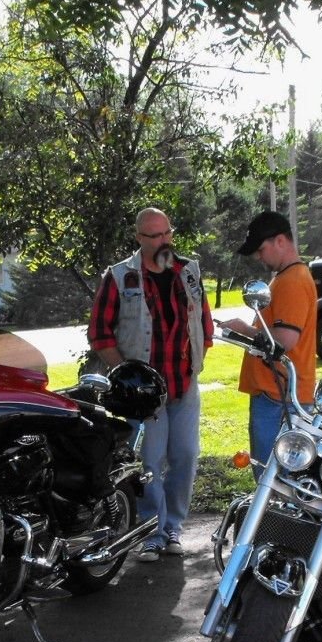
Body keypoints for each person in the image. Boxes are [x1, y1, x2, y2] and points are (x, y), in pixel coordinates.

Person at [88, 207, 213, 562]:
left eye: (167, 233)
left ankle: (173, 527)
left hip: (183, 382)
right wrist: (128, 373)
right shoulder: (120, 276)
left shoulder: (188, 271)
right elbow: (99, 333)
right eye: (154, 236)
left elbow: (202, 319)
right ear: (139, 238)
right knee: (149, 462)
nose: (163, 241)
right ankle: (151, 532)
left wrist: (198, 355)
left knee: (186, 456)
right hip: (144, 394)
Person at [221, 210, 318, 464]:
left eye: (260, 249)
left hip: (279, 398)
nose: (258, 256)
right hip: (279, 395)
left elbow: (284, 341)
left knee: (270, 480)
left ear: (280, 241)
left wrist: (244, 328)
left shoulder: (292, 281)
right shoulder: (287, 278)